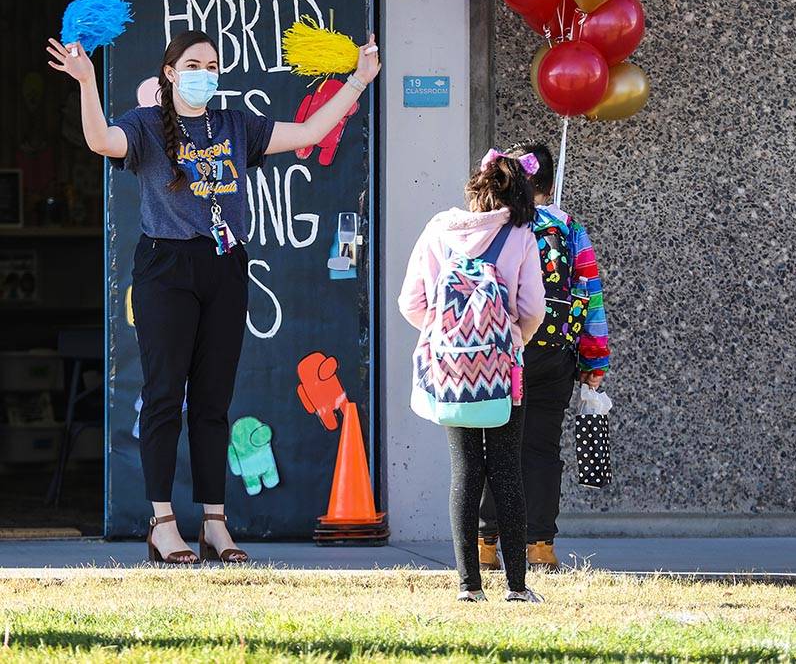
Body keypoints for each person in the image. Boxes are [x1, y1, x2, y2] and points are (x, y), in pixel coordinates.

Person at [46, 29, 380, 564]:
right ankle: (162, 523)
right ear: (172, 72)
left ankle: (215, 523)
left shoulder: (233, 123)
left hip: (225, 265)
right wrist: (87, 82)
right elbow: (101, 142)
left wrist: (359, 79)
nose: (206, 72)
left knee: (213, 402)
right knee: (162, 397)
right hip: (166, 267)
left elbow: (311, 131)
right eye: (195, 63)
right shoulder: (148, 125)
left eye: (214, 64)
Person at [398, 149, 546, 603]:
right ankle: (518, 587)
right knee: (506, 470)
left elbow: (411, 302)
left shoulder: (439, 231)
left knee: (464, 471)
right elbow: (532, 309)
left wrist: (448, 333)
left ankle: (468, 585)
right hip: (504, 373)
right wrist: (506, 340)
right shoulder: (520, 237)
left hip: (451, 371)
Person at [478, 142, 611, 571]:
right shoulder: (569, 227)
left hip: (499, 351)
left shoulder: (489, 224)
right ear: (548, 185)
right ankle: (540, 547)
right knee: (541, 447)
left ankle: (485, 544)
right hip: (553, 353)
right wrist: (595, 360)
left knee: (493, 447)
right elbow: (590, 294)